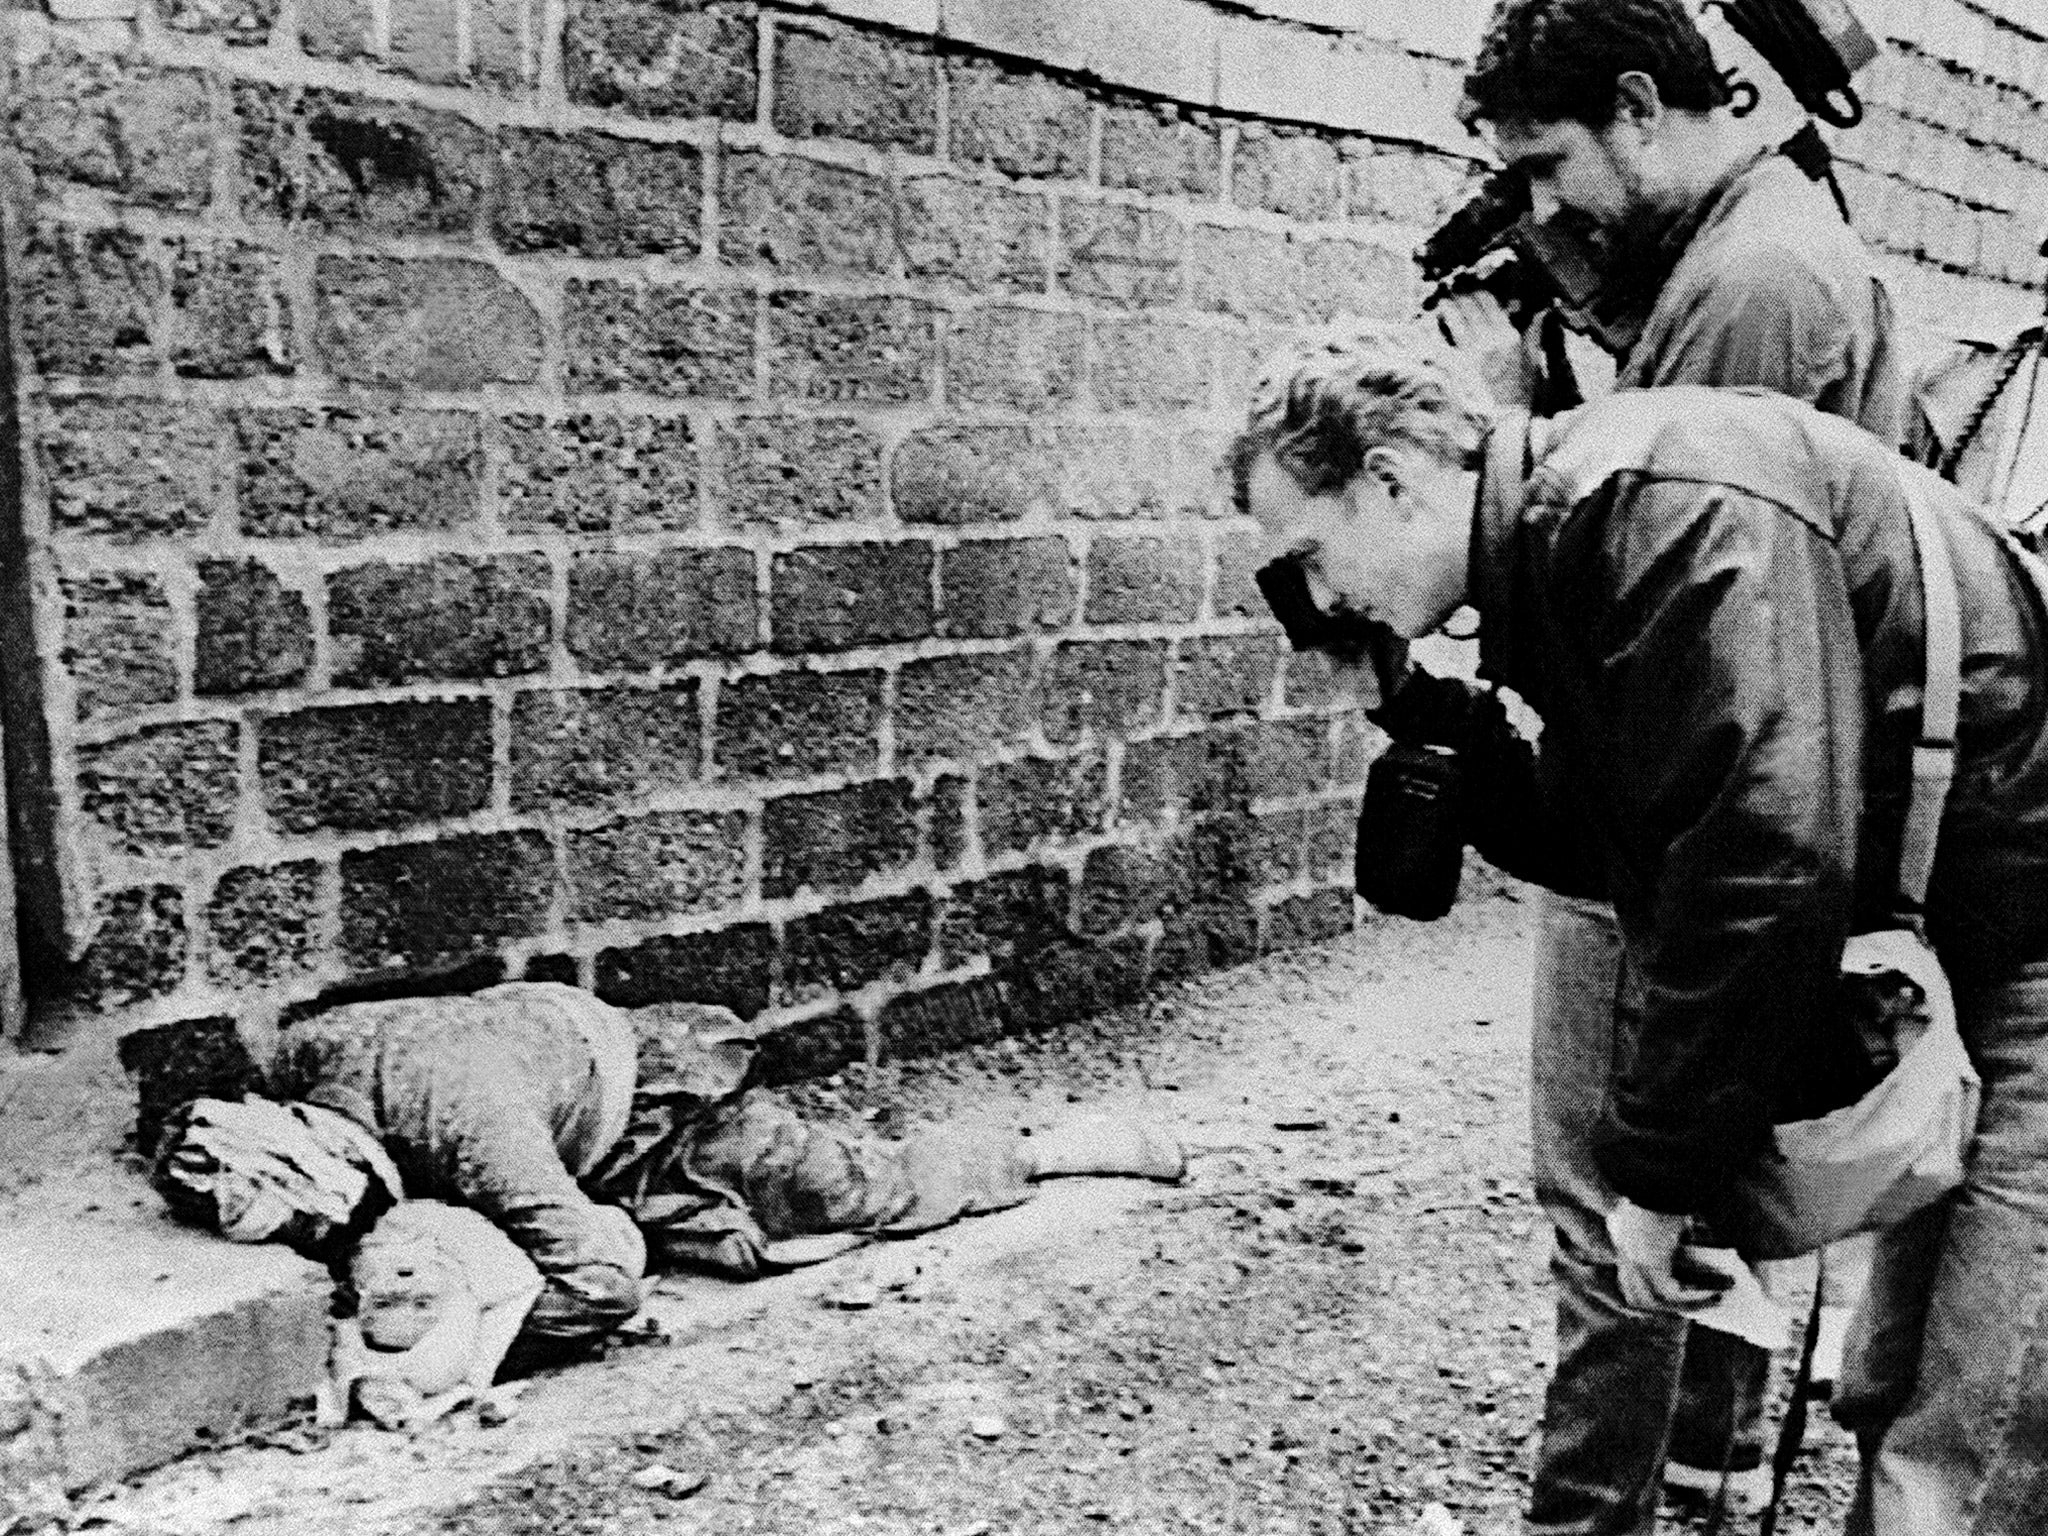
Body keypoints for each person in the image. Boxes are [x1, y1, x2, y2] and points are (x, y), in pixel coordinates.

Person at [1230, 320, 2048, 1536]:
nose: (1318, 598)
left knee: (1962, 1437)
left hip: (2025, 932)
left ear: (1388, 480)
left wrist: (1658, 1179)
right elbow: (1647, 846)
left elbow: (1759, 867)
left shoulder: (1656, 506)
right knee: (1895, 1389)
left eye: (1306, 553)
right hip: (1953, 924)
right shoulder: (1566, 547)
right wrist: (1433, 728)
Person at [1441, 0, 1909, 1523]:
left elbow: (1662, 569)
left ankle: (1598, 1517)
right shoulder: (1743, 253)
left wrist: (1509, 418)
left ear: (1641, 108)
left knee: (1612, 1208)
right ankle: (1687, 1496)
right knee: (1686, 1201)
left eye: (1547, 165)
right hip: (1704, 789)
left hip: (1679, 802)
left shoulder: (1758, 282)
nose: (1538, 207)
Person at [153, 981, 1186, 1376]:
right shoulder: (301, 1062)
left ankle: (1041, 1149)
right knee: (738, 1251)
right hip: (555, 1137)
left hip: (657, 1108)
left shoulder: (460, 1123)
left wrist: (453, 1342)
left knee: (853, 1194)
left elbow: (601, 1285)